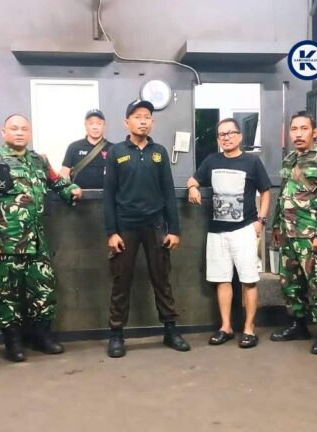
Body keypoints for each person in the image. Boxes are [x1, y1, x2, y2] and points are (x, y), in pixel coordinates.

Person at [0, 114, 81, 362]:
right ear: (3, 132)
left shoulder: (38, 161)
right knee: (5, 295)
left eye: (24, 128)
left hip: (36, 242)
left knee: (43, 290)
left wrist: (71, 190)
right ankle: (13, 343)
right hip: (5, 242)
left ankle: (42, 337)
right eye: (14, 128)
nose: (20, 132)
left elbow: (56, 182)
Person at [103, 99, 190, 358]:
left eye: (147, 117)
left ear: (152, 122)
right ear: (126, 122)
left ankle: (170, 330)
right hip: (125, 227)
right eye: (137, 116)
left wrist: (174, 230)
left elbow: (168, 193)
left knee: (162, 280)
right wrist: (111, 232)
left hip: (156, 226)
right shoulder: (116, 152)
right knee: (121, 282)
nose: (143, 121)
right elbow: (109, 195)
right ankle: (116, 334)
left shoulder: (159, 152)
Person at [187, 118, 271, 348]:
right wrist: (193, 188)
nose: (227, 137)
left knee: (249, 281)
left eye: (231, 133)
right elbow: (193, 179)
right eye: (222, 134)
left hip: (244, 229)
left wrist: (261, 221)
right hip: (217, 232)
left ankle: (249, 329)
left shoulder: (252, 162)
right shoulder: (211, 160)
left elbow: (266, 191)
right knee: (222, 280)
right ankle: (226, 327)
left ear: (240, 136)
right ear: (218, 139)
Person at [271, 111, 317, 355]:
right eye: (294, 129)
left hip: (312, 235)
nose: (298, 134)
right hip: (289, 233)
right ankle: (298, 324)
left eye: (304, 128)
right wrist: (277, 226)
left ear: (315, 132)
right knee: (290, 283)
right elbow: (284, 195)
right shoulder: (290, 159)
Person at [59, 109, 111, 189]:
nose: (95, 127)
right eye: (91, 123)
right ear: (86, 126)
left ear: (104, 126)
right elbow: (63, 176)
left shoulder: (113, 149)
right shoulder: (73, 147)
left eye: (99, 123)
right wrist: (69, 190)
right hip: (79, 195)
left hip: (106, 195)